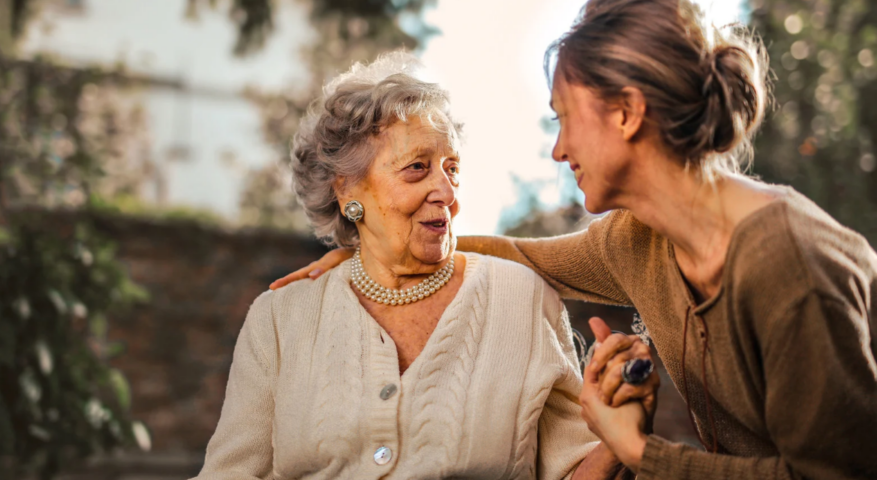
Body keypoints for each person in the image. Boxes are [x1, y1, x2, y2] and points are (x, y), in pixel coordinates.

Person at [269, 1, 877, 479]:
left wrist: (638, 451)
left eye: (564, 117)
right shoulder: (638, 239)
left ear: (627, 112)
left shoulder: (789, 265)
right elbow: (518, 254)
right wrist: (371, 244)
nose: (558, 149)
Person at [193, 52, 638, 480]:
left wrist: (620, 439)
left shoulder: (523, 299)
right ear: (347, 190)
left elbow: (571, 470)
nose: (446, 191)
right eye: (417, 168)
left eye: (452, 168)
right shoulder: (279, 318)